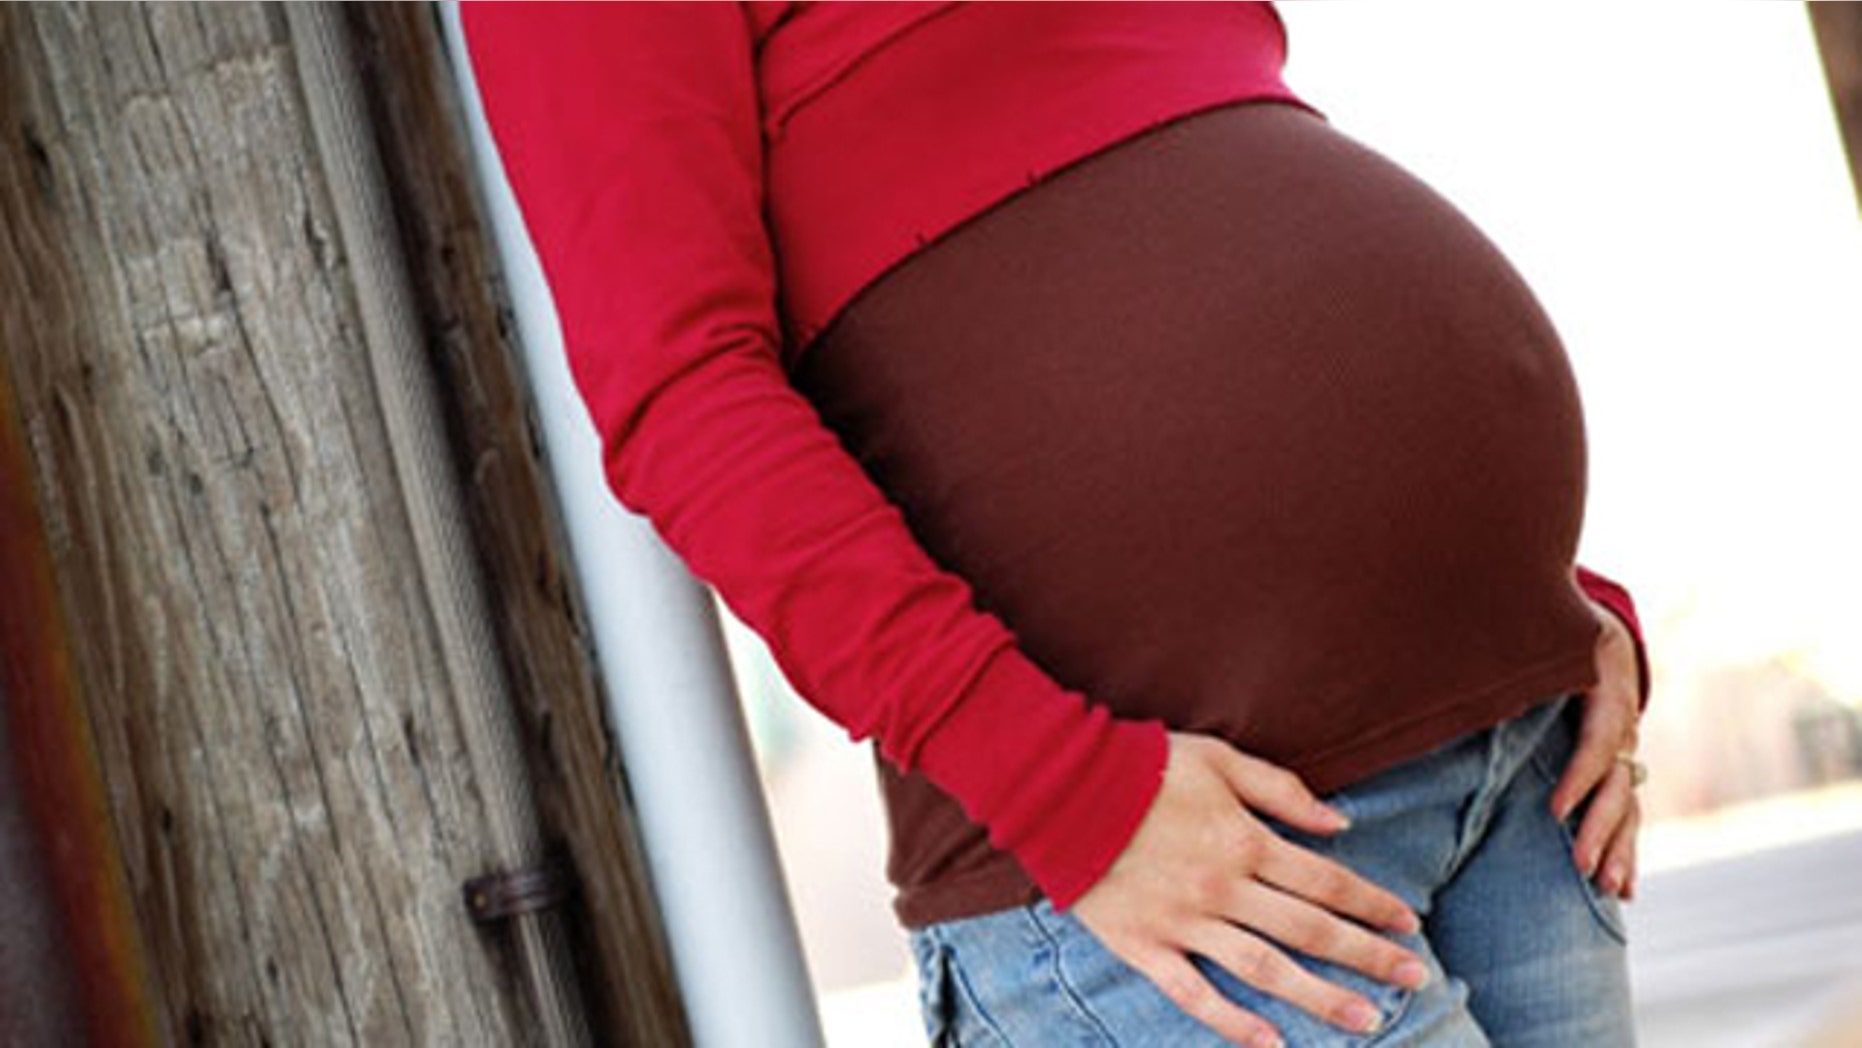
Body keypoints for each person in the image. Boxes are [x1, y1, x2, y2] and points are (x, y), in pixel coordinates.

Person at [460, 4, 1652, 1045]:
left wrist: (1528, 583)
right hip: (1183, 852)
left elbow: (1211, 146)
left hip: (1515, 743)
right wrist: (1065, 790)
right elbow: (682, 400)